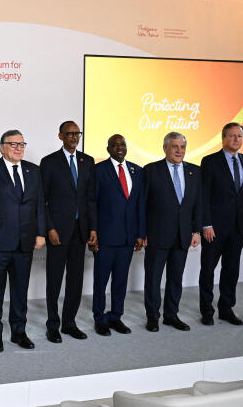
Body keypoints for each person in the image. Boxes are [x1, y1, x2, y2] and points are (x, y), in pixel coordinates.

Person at [0, 130, 46, 352]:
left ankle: (19, 332)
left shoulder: (34, 170)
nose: (18, 148)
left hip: (25, 242)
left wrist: (40, 233)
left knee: (20, 291)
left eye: (21, 144)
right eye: (13, 144)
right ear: (2, 147)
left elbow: (39, 204)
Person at [40, 121, 96, 343]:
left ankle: (69, 323)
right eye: (70, 134)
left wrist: (93, 228)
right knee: (54, 280)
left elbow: (90, 199)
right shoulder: (49, 162)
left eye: (77, 133)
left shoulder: (87, 161)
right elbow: (42, 201)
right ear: (60, 136)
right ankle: (52, 325)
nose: (74, 137)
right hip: (58, 232)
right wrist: (49, 228)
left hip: (80, 231)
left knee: (75, 280)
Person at [199, 122, 243, 326]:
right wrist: (206, 224)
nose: (236, 140)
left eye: (239, 136)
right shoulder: (210, 161)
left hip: (239, 226)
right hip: (214, 227)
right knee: (208, 269)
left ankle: (226, 308)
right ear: (223, 138)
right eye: (232, 136)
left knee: (231, 269)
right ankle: (207, 310)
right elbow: (203, 195)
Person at [143, 132, 201, 332]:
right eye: (175, 146)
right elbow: (142, 205)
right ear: (165, 148)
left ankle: (171, 315)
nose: (179, 151)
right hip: (157, 234)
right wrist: (143, 233)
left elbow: (198, 205)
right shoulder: (150, 170)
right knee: (153, 278)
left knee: (176, 278)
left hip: (183, 235)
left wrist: (196, 230)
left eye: (182, 147)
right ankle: (153, 316)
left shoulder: (195, 171)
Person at [92, 134, 145, 336]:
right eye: (115, 145)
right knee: (101, 281)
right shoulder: (99, 170)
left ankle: (116, 317)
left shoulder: (136, 171)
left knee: (120, 281)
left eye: (122, 144)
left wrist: (140, 234)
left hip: (128, 238)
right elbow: (93, 205)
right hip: (105, 238)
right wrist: (93, 232)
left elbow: (140, 204)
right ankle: (100, 318)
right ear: (108, 149)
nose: (119, 148)